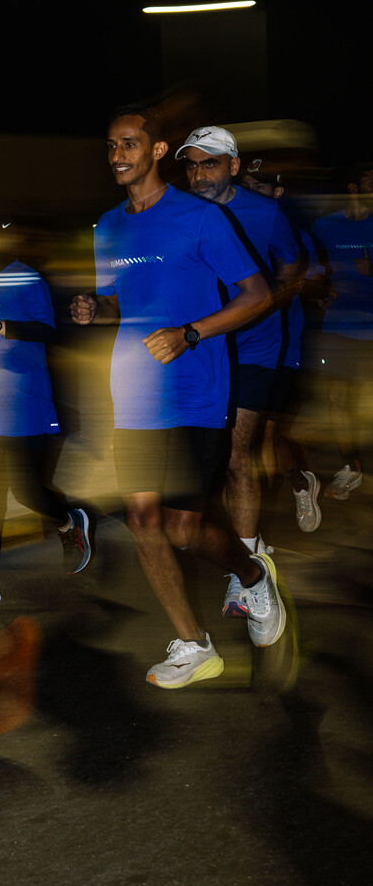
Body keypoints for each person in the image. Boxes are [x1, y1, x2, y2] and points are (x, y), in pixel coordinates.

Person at [70, 105, 286, 689]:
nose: (118, 155)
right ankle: (194, 645)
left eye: (129, 144)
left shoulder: (200, 218)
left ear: (157, 150)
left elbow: (257, 295)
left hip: (196, 391)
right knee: (143, 519)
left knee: (184, 530)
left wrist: (190, 333)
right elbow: (118, 301)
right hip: (133, 392)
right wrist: (95, 308)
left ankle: (252, 576)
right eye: (111, 145)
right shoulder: (107, 226)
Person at [176, 127, 304, 616]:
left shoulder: (265, 213)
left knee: (237, 455)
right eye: (191, 165)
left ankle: (249, 566)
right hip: (202, 347)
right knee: (203, 459)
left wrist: (268, 307)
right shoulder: (179, 213)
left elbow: (292, 266)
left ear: (233, 166)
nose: (199, 175)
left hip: (254, 347)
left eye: (210, 163)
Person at [0, 214, 91, 607]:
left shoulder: (26, 278)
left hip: (23, 403)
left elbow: (47, 330)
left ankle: (68, 523)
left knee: (26, 490)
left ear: (2, 237)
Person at [240, 159, 327, 532]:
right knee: (240, 447)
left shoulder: (296, 235)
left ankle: (296, 487)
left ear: (277, 192)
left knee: (264, 441)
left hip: (281, 350)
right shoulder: (230, 231)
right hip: (234, 348)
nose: (251, 193)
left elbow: (319, 282)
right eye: (246, 186)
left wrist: (298, 285)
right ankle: (292, 486)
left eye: (259, 187)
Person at [312, 163, 373, 499]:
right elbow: (313, 268)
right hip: (338, 326)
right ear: (353, 187)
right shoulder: (325, 226)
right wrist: (318, 290)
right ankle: (350, 467)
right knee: (337, 399)